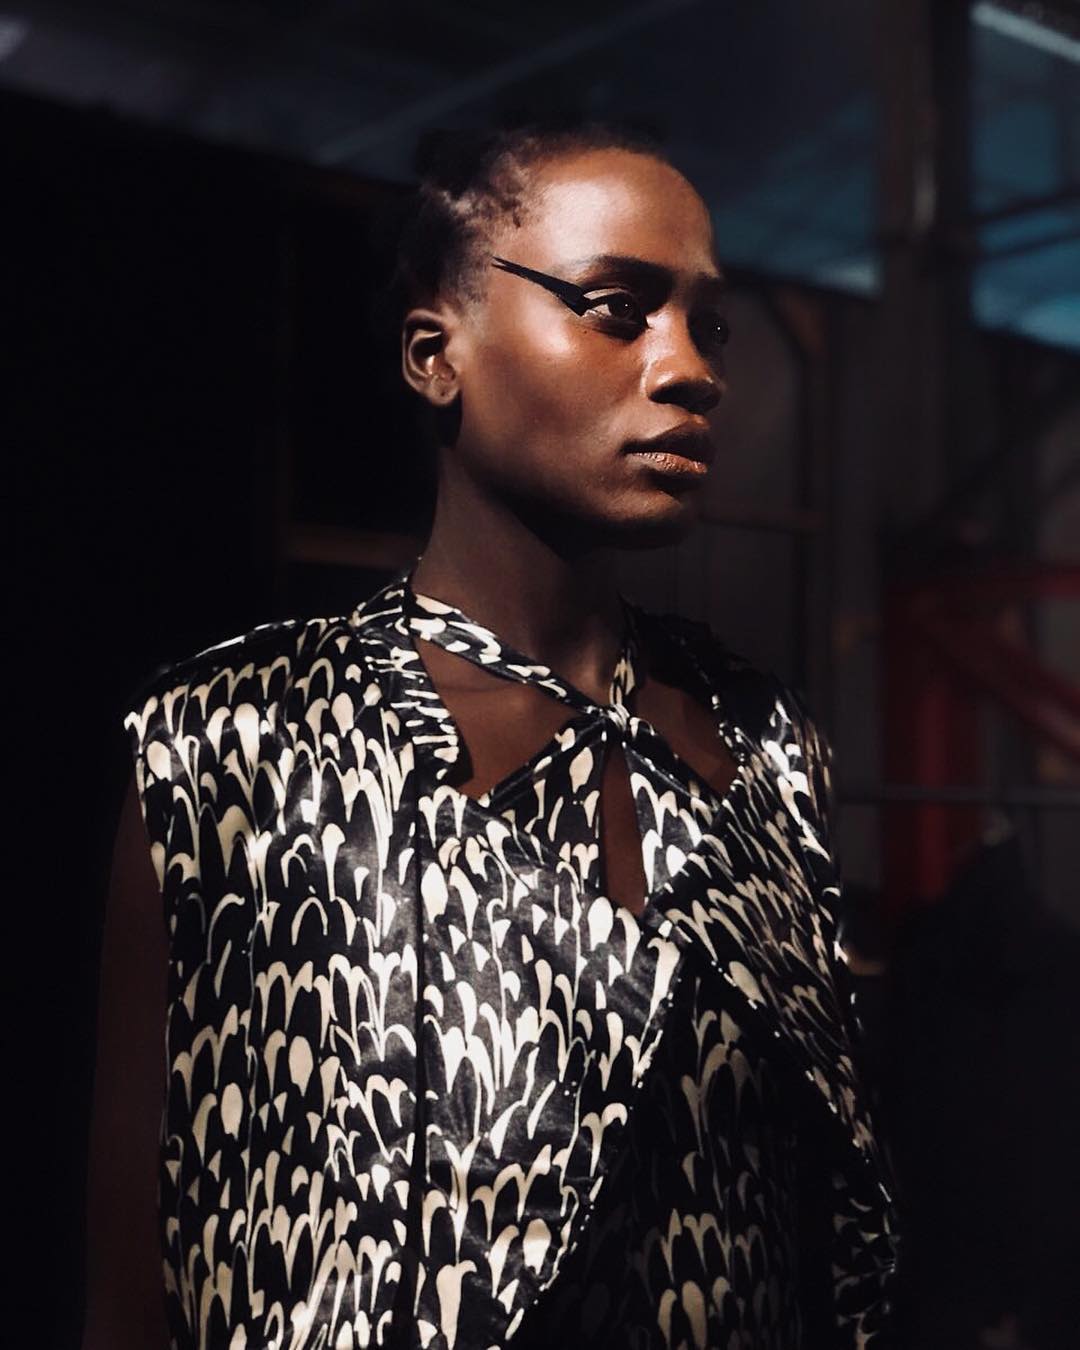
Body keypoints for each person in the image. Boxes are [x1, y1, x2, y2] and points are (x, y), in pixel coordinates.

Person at [84, 121, 898, 1350]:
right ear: (436, 353)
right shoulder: (236, 742)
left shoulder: (767, 750)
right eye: (617, 309)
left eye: (711, 325)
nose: (693, 370)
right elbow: (130, 1288)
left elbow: (814, 1240)